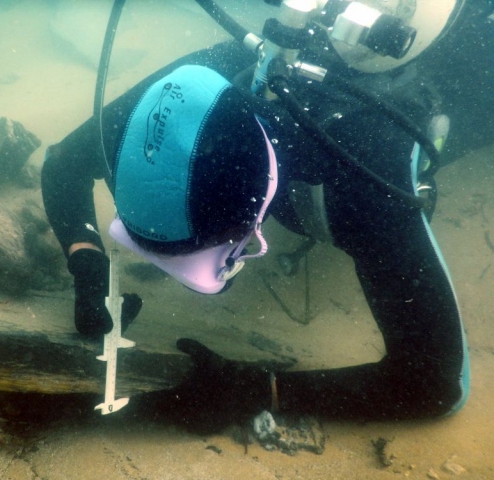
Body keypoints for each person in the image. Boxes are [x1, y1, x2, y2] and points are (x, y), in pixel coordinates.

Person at [41, 0, 480, 431]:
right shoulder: (208, 83)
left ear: (250, 225)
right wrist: (88, 265)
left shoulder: (366, 182)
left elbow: (435, 385)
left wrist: (259, 390)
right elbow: (64, 164)